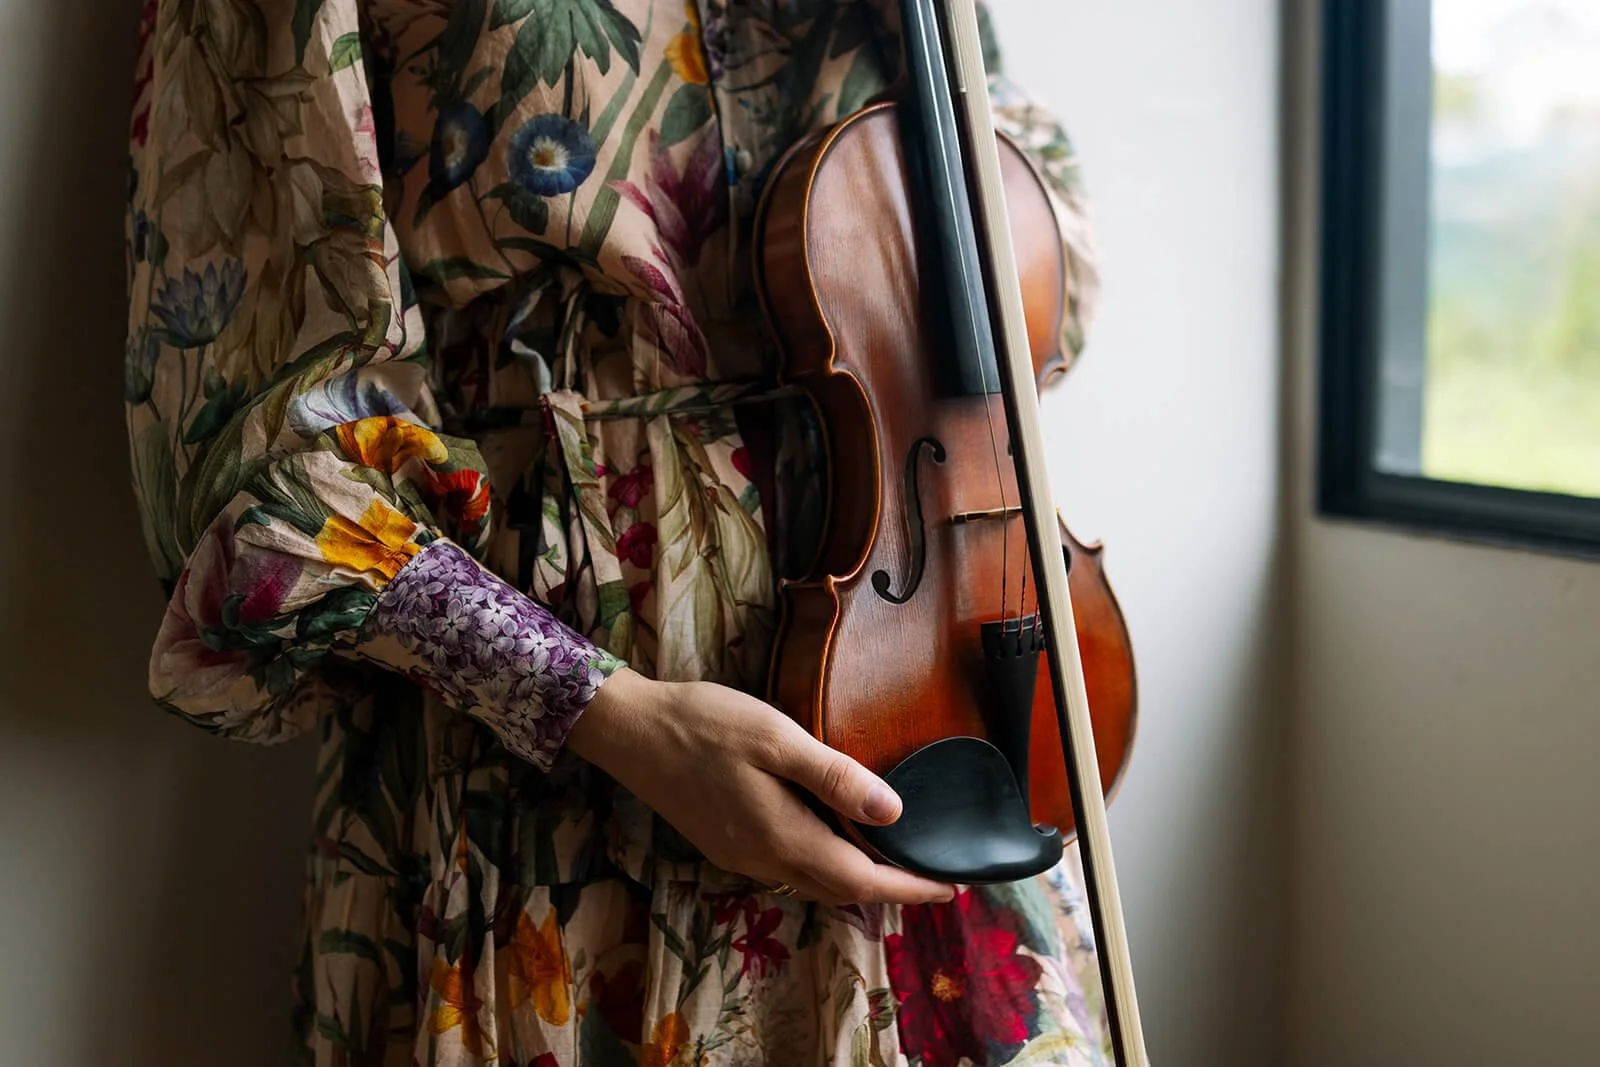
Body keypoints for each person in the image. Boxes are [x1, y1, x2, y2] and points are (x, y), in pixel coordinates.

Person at [123, 0, 1106, 1063]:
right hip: (561, 757)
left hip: (935, 691)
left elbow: (1049, 273)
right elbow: (255, 456)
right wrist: (600, 708)